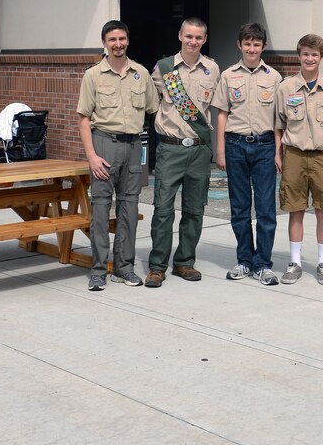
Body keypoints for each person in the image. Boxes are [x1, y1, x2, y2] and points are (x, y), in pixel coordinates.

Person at [77, 20, 158, 291]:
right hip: (104, 145)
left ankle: (124, 268)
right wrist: (91, 156)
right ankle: (99, 270)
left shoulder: (141, 74)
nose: (118, 44)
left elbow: (151, 108)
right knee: (100, 209)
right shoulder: (93, 75)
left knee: (129, 208)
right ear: (104, 43)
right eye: (112, 39)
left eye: (122, 38)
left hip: (134, 146)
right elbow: (84, 119)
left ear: (128, 40)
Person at [145, 17, 221, 288]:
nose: (193, 41)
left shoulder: (212, 69)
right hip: (171, 148)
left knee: (194, 210)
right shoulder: (164, 68)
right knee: (163, 210)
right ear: (180, 36)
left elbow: (216, 108)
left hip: (199, 150)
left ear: (205, 38)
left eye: (198, 37)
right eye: (189, 36)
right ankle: (157, 266)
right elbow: (150, 102)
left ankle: (184, 262)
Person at [213, 23, 283, 286]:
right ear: (239, 45)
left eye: (256, 44)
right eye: (247, 43)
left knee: (266, 208)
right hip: (235, 145)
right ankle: (244, 260)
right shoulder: (228, 75)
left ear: (263, 46)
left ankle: (263, 263)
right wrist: (220, 150)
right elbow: (222, 113)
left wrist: (278, 151)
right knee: (240, 207)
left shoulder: (274, 77)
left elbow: (278, 119)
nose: (251, 48)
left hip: (265, 146)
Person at [275, 33, 323, 285]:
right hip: (293, 154)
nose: (309, 58)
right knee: (295, 210)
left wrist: (321, 140)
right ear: (298, 56)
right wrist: (278, 153)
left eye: (314, 54)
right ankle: (294, 262)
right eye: (305, 54)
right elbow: (279, 125)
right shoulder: (285, 87)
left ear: (321, 57)